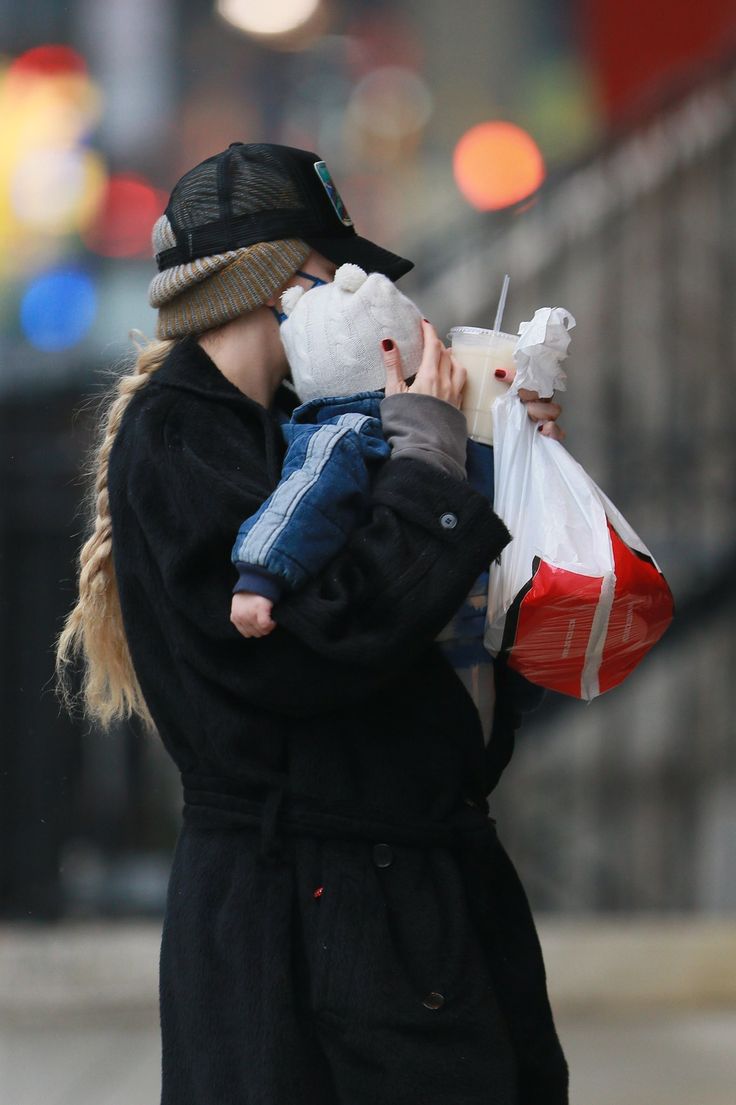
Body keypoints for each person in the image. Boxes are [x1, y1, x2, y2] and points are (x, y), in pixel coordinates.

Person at [56, 142, 569, 1105]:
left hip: (399, 903)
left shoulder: (310, 427)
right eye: (346, 274)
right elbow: (311, 653)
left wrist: (511, 457)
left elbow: (450, 637)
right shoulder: (182, 436)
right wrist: (424, 465)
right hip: (305, 928)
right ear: (284, 286)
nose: (368, 294)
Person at [228, 261, 544, 741]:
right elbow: (301, 503)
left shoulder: (346, 437)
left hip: (447, 645)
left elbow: (298, 504)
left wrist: (529, 439)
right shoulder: (363, 436)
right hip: (460, 634)